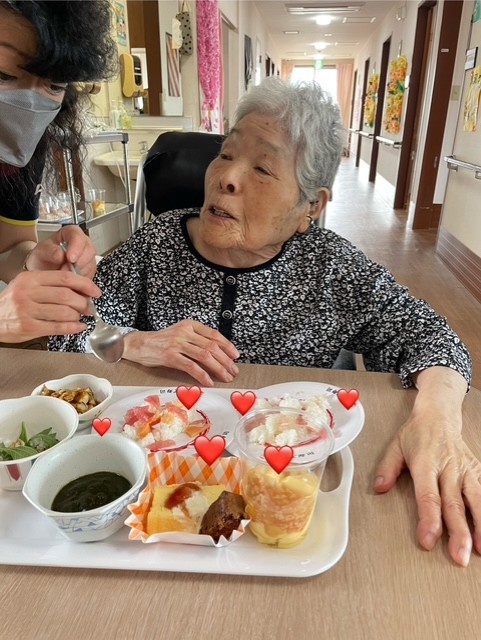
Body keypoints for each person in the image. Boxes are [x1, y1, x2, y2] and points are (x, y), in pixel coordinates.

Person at [50, 77, 480, 567]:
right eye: (226, 154)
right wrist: (129, 343)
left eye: (262, 168)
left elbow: (430, 336)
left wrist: (437, 418)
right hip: (159, 493)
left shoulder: (330, 267)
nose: (227, 177)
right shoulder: (156, 244)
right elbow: (69, 339)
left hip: (287, 497)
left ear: (310, 206)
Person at [0, 0, 117, 343]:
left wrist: (33, 260)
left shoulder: (18, 150)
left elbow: (9, 246)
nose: (30, 106)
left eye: (54, 84)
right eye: (3, 74)